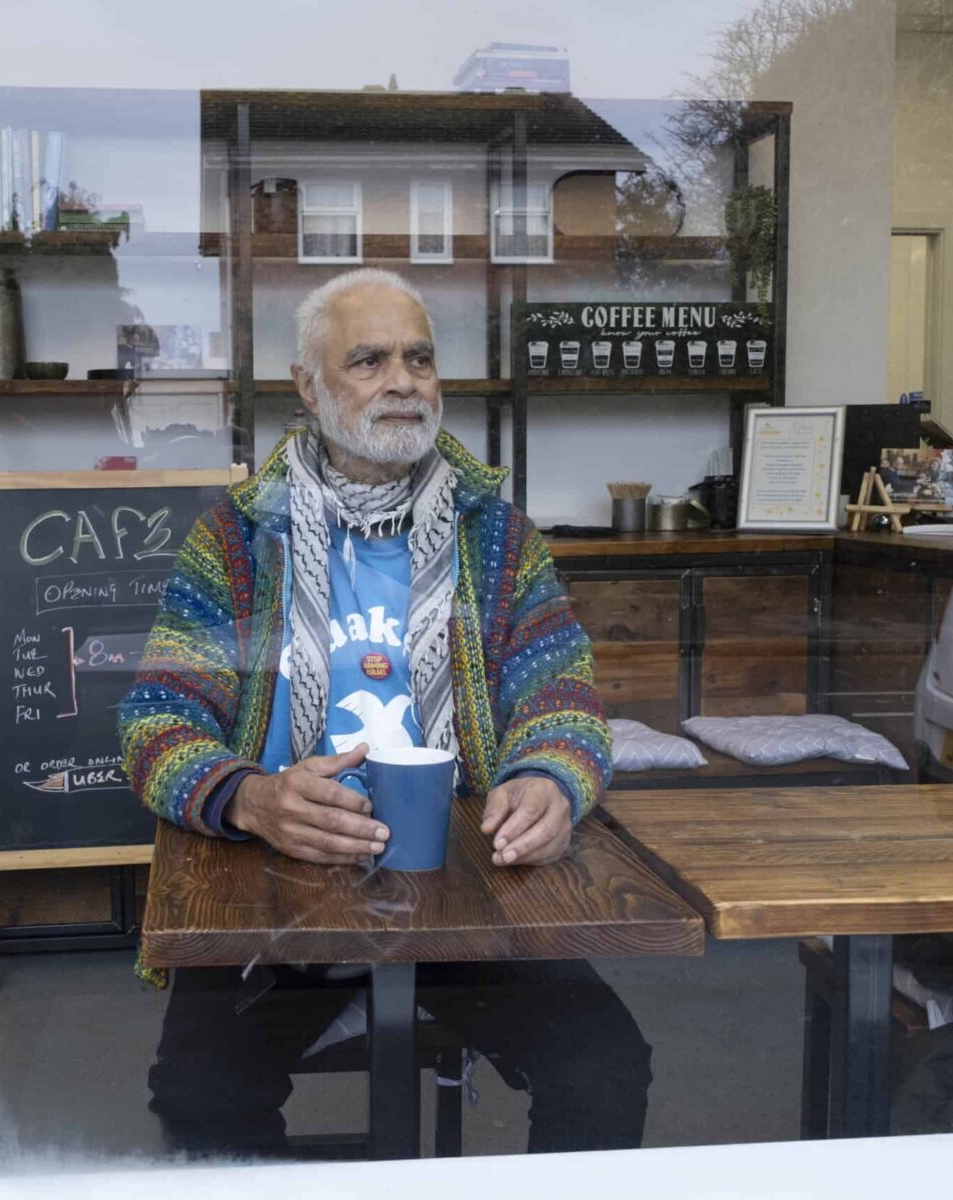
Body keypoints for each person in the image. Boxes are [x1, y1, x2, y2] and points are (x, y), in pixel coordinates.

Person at [119, 268, 649, 1157]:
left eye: (419, 359)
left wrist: (549, 778)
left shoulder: (497, 539)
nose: (403, 381)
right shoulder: (239, 540)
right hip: (275, 894)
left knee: (604, 1066)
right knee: (200, 1093)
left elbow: (563, 698)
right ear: (309, 386)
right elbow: (156, 719)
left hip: (466, 889)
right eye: (369, 361)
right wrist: (249, 797)